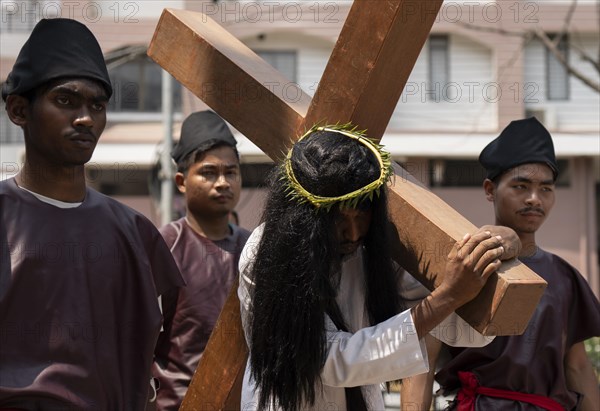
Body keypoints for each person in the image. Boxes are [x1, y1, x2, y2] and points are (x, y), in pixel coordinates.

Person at [237, 124, 519, 411]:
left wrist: (492, 251)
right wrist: (449, 296)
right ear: (304, 218)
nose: (353, 233)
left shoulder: (374, 249)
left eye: (362, 216)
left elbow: (451, 327)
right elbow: (331, 360)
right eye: (338, 220)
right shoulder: (263, 255)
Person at [0, 19, 185, 410]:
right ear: (19, 110)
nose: (85, 118)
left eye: (96, 105)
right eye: (66, 101)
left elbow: (159, 357)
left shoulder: (135, 233)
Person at [401, 117, 600, 410]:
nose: (535, 199)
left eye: (546, 189)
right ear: (490, 190)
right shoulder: (464, 266)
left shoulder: (564, 276)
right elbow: (422, 363)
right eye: (521, 186)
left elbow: (578, 367)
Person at [152, 111, 251, 410]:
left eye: (230, 172)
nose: (222, 183)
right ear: (182, 181)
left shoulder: (253, 248)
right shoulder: (164, 246)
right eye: (209, 172)